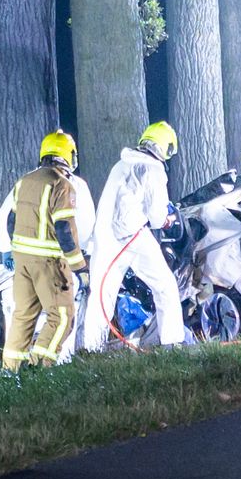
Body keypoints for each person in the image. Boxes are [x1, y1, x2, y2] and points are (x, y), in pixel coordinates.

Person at [82, 122, 185, 351]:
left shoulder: (121, 164)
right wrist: (168, 220)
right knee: (165, 286)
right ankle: (172, 342)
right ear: (165, 147)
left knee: (101, 295)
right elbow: (158, 217)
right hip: (132, 236)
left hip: (104, 237)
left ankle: (91, 350)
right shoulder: (154, 169)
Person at [1, 131, 89, 370]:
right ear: (67, 155)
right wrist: (80, 267)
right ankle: (39, 369)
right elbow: (65, 230)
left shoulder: (24, 181)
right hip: (48, 262)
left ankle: (10, 372)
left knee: (23, 316)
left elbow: (11, 221)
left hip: (23, 261)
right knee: (62, 317)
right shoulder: (62, 184)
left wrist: (18, 249)